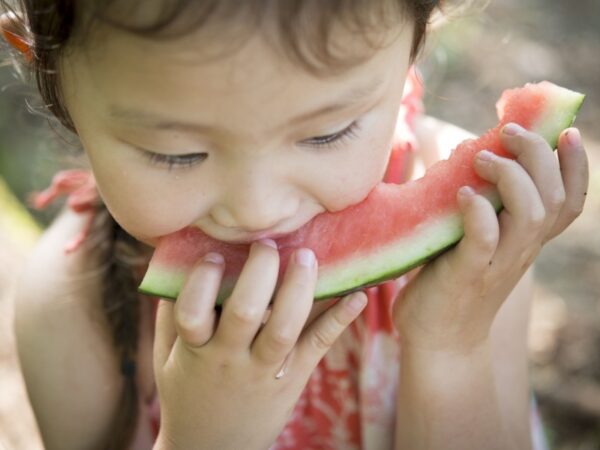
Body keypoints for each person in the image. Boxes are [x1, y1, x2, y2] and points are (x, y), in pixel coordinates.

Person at [0, 1, 589, 449]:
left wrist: (452, 343)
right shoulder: (69, 312)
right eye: (175, 153)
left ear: (414, 46)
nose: (259, 209)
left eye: (327, 134)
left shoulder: (476, 239)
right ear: (46, 73)